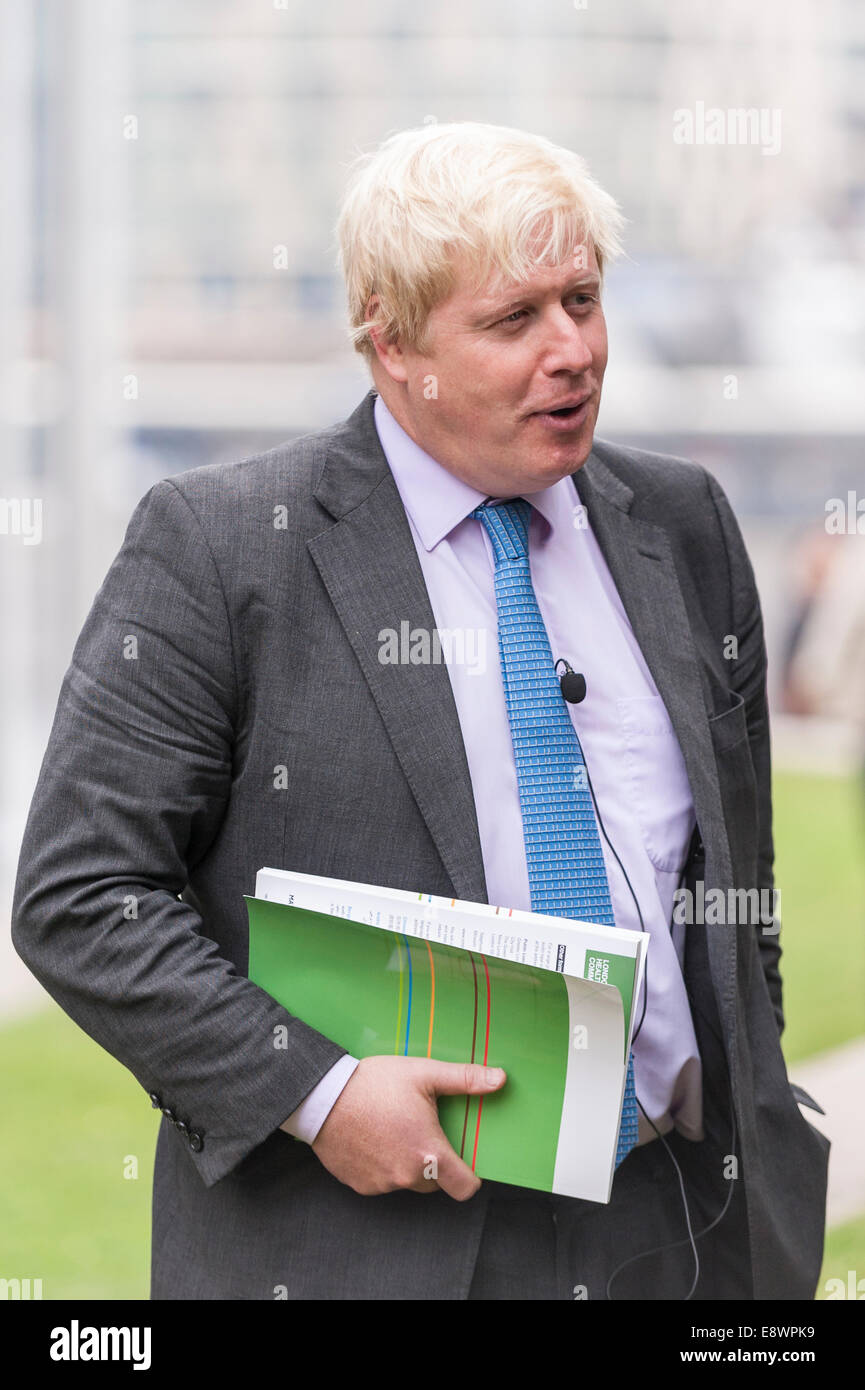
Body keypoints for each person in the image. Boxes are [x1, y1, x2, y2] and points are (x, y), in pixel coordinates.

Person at [11, 121, 829, 1300]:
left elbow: (734, 880)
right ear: (390, 344)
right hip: (368, 1246)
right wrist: (319, 1094)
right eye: (512, 321)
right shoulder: (224, 549)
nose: (575, 352)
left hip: (676, 1233)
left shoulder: (684, 521)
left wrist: (751, 1103)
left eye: (583, 299)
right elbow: (80, 895)